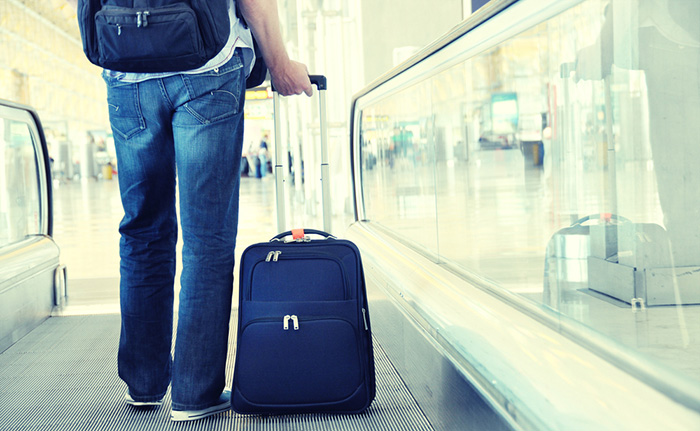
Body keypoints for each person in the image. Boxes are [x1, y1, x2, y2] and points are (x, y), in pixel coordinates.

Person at [96, 0, 312, 422]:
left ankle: (143, 383)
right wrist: (279, 63)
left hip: (127, 69)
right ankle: (195, 393)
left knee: (142, 230)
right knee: (206, 239)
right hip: (206, 71)